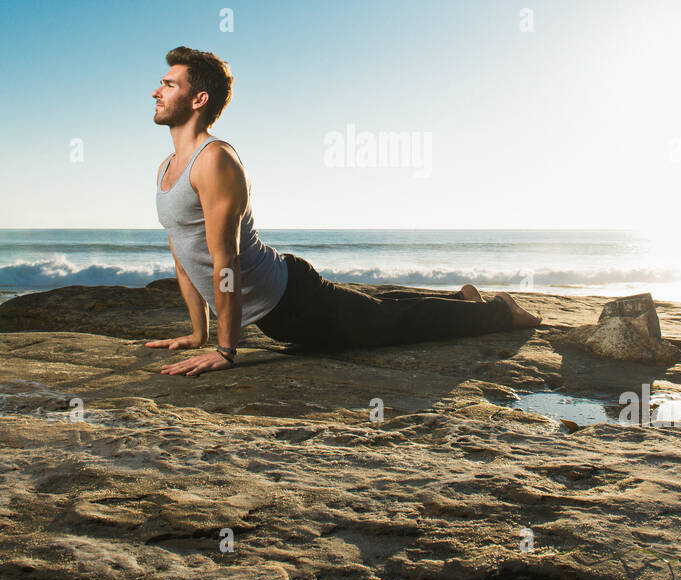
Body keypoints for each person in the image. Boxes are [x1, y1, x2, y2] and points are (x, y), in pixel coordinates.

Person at [146, 47, 542, 377]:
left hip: (291, 301)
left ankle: (500, 312)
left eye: (168, 84)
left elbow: (225, 263)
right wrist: (199, 333)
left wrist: (226, 351)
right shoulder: (166, 168)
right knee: (377, 311)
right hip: (281, 304)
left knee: (387, 325)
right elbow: (183, 256)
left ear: (199, 100)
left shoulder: (214, 161)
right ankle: (463, 298)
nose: (155, 92)